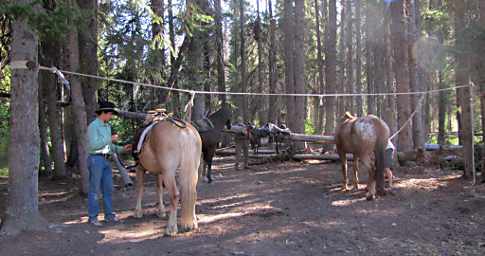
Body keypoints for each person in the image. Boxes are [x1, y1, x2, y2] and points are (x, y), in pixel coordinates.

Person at [87, 101, 132, 226]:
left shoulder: (107, 126)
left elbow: (109, 146)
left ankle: (109, 215)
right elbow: (93, 145)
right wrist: (109, 139)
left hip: (106, 159)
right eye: (110, 114)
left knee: (108, 189)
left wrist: (122, 149)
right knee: (94, 189)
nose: (111, 116)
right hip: (95, 159)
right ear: (104, 113)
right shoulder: (93, 126)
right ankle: (93, 217)